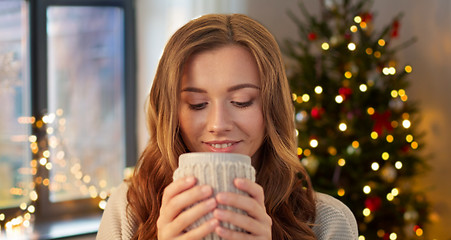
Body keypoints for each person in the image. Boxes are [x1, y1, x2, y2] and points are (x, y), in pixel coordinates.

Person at [97, 14, 358, 240]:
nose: (218, 124)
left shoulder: (327, 222)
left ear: (272, 107)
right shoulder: (129, 208)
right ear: (171, 113)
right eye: (197, 104)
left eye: (241, 102)